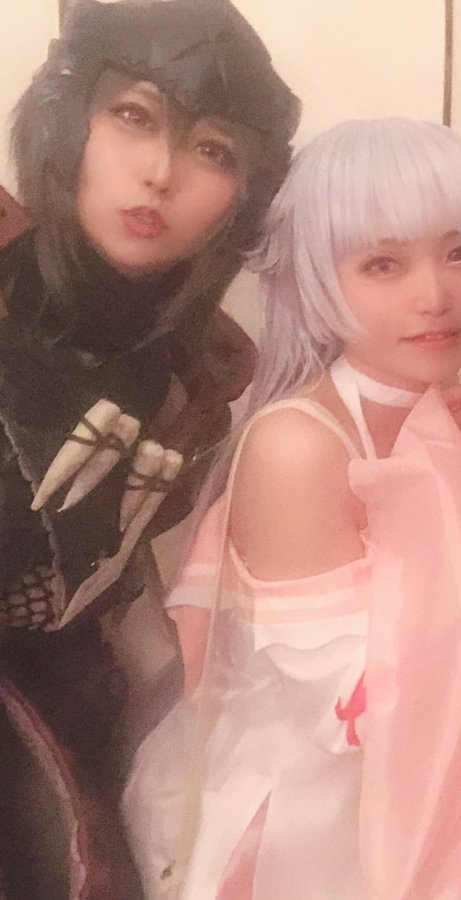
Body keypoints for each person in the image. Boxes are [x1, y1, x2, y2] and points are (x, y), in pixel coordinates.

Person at [121, 118, 461, 900]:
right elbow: (355, 713)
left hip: (460, 793)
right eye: (383, 264)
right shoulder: (297, 446)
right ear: (317, 280)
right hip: (321, 831)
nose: (435, 296)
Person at [0, 1, 298, 896]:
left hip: (70, 732)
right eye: (133, 115)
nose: (160, 172)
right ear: (68, 120)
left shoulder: (200, 377)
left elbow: (126, 601)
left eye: (213, 150)